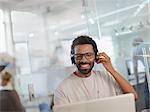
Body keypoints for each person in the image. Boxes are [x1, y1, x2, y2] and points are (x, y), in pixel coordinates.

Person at [54, 35, 138, 105]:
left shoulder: (107, 77)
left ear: (96, 56)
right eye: (79, 56)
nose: (84, 60)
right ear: (73, 58)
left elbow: (133, 97)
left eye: (88, 55)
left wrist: (111, 70)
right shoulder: (62, 89)